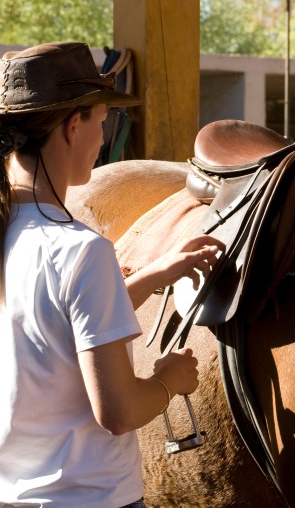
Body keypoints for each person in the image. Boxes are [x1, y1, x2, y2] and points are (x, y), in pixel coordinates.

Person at [0, 42, 224, 508]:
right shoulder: (82, 251)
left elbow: (51, 328)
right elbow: (119, 414)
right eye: (101, 121)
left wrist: (152, 275)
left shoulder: (13, 235)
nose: (102, 138)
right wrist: (171, 380)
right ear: (72, 125)